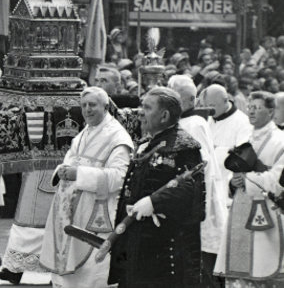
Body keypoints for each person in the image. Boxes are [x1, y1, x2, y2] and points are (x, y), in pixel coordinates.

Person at [108, 87, 205, 288]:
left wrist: (154, 202)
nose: (140, 112)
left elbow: (190, 191)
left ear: (164, 115)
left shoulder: (184, 147)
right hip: (136, 245)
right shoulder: (146, 144)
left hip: (165, 250)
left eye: (147, 107)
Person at [39, 87, 133, 288]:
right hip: (71, 210)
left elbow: (120, 177)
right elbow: (72, 159)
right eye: (84, 105)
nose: (87, 110)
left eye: (93, 105)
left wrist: (78, 174)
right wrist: (62, 171)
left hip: (95, 211)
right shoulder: (86, 131)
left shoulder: (117, 137)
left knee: (91, 273)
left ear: (106, 106)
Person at [215, 91, 284, 286]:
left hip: (269, 211)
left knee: (265, 273)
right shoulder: (247, 138)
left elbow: (277, 180)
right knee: (240, 274)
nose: (251, 112)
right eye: (250, 107)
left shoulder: (281, 140)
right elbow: (235, 172)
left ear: (271, 112)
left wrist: (245, 180)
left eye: (257, 108)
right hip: (241, 208)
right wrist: (232, 182)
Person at [168, 75, 228, 288]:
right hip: (189, 208)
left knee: (203, 272)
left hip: (198, 210)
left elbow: (201, 170)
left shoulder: (193, 125)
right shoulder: (187, 122)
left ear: (184, 99)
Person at [206, 84, 253, 186]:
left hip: (226, 183)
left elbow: (243, 159)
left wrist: (216, 151)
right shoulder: (207, 119)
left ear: (225, 100)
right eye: (207, 105)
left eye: (212, 105)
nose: (209, 110)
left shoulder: (243, 122)